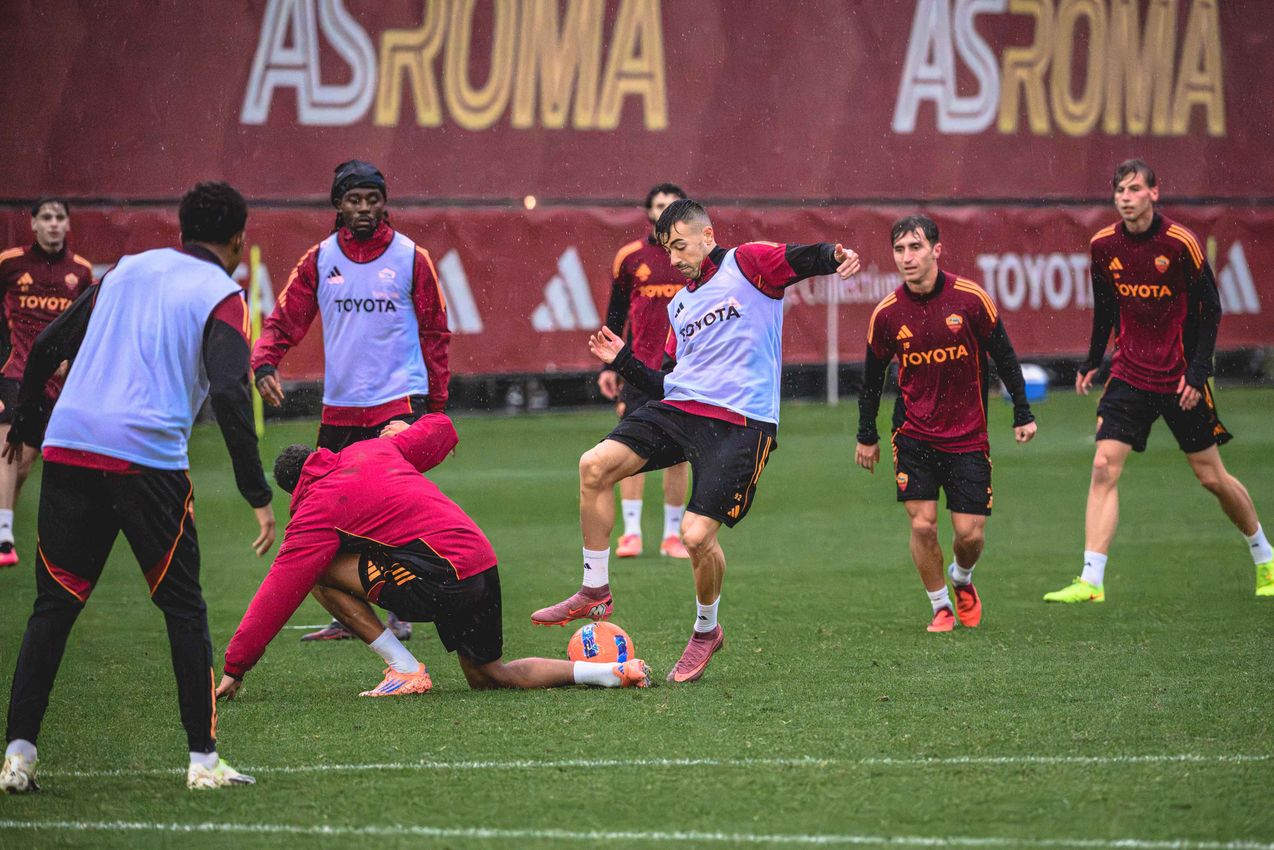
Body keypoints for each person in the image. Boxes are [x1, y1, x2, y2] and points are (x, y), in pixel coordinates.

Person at [0, 182, 275, 794]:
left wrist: (27, 423)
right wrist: (257, 493)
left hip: (70, 448)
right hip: (147, 461)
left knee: (53, 606)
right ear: (236, 240)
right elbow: (231, 391)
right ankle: (203, 763)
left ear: (181, 229)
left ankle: (17, 758)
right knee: (184, 609)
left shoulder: (124, 270)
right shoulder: (224, 294)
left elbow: (46, 345)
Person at [531, 199, 860, 683]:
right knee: (593, 465)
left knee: (695, 537)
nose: (676, 257)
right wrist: (622, 361)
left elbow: (800, 257)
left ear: (707, 236)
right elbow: (668, 383)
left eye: (682, 245)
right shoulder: (679, 305)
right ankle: (594, 587)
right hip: (682, 408)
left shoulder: (745, 263)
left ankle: (706, 629)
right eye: (669, 250)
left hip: (742, 423)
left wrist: (835, 255)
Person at [216, 414, 651, 703]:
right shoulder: (372, 450)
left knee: (311, 574)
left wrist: (236, 665)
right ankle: (613, 672)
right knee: (487, 676)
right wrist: (410, 427)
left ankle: (403, 668)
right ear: (318, 456)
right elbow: (442, 429)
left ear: (295, 489)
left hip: (441, 578)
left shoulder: (314, 509)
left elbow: (279, 588)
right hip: (480, 560)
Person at [1045, 159, 1273, 602]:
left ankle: (1264, 557)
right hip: (1129, 373)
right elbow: (1106, 306)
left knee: (1211, 476)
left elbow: (1211, 308)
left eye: (1133, 190)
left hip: (1179, 377)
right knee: (1103, 465)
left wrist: (1199, 370)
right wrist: (1092, 359)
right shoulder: (1103, 245)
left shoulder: (1180, 242)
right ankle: (1091, 579)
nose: (1125, 198)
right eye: (1119, 191)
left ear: (1154, 193)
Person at [252, 159, 450, 641]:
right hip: (339, 409)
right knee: (329, 513)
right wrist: (264, 362)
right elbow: (283, 320)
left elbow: (435, 334)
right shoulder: (319, 259)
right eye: (354, 200)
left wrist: (436, 409)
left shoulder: (410, 257)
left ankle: (403, 610)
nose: (364, 209)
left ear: (384, 203)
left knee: (396, 510)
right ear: (338, 205)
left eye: (372, 199)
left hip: (398, 405)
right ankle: (350, 614)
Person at [855, 215, 1037, 632]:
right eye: (899, 250)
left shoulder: (971, 299)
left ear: (936, 250)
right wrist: (867, 434)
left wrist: (1022, 411)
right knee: (923, 523)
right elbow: (871, 379)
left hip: (968, 435)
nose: (907, 257)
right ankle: (940, 606)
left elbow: (1005, 357)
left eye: (915, 247)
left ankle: (962, 578)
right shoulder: (886, 314)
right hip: (914, 434)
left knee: (969, 535)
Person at [598, 183, 691, 560]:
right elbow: (616, 313)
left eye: (672, 205)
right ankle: (632, 533)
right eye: (658, 205)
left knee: (681, 452)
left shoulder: (695, 259)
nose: (664, 210)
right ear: (649, 212)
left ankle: (672, 535)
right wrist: (609, 366)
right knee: (631, 449)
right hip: (638, 369)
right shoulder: (631, 257)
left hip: (684, 370)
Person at [0, 198, 93, 567]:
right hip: (13, 371)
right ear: (34, 224)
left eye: (59, 218)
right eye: (46, 217)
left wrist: (72, 360)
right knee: (7, 443)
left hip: (53, 384)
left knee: (22, 463)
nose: (53, 224)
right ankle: (5, 536)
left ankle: (4, 521)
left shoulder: (81, 272)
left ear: (67, 225)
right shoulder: (9, 263)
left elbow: (85, 325)